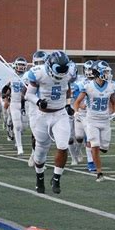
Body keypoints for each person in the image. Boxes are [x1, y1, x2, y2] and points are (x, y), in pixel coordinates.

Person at [25, 50, 72, 194]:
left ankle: (56, 178)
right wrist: (38, 101)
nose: (60, 76)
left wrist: (69, 104)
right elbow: (28, 95)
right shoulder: (38, 73)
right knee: (40, 152)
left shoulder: (69, 73)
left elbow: (67, 89)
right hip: (42, 116)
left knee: (63, 146)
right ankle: (39, 177)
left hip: (60, 114)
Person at [73, 60, 115, 182]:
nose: (108, 74)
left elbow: (114, 102)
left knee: (104, 148)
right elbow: (77, 102)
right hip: (91, 120)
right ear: (98, 72)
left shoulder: (111, 86)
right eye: (105, 71)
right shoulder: (88, 86)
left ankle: (96, 159)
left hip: (105, 121)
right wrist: (76, 111)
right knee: (95, 146)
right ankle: (99, 172)